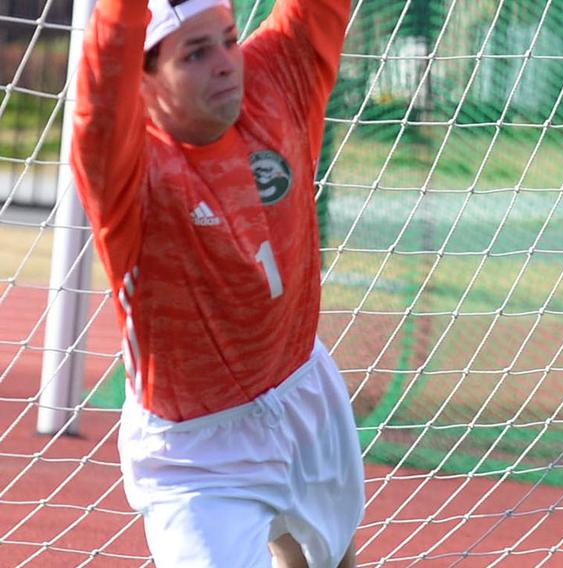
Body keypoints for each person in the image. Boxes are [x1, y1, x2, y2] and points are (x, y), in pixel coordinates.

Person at [70, 0, 362, 566]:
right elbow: (101, 91)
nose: (227, 63)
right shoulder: (132, 173)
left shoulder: (276, 79)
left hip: (303, 389)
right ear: (143, 76)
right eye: (196, 54)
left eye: (229, 40)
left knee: (331, 560)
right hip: (197, 452)